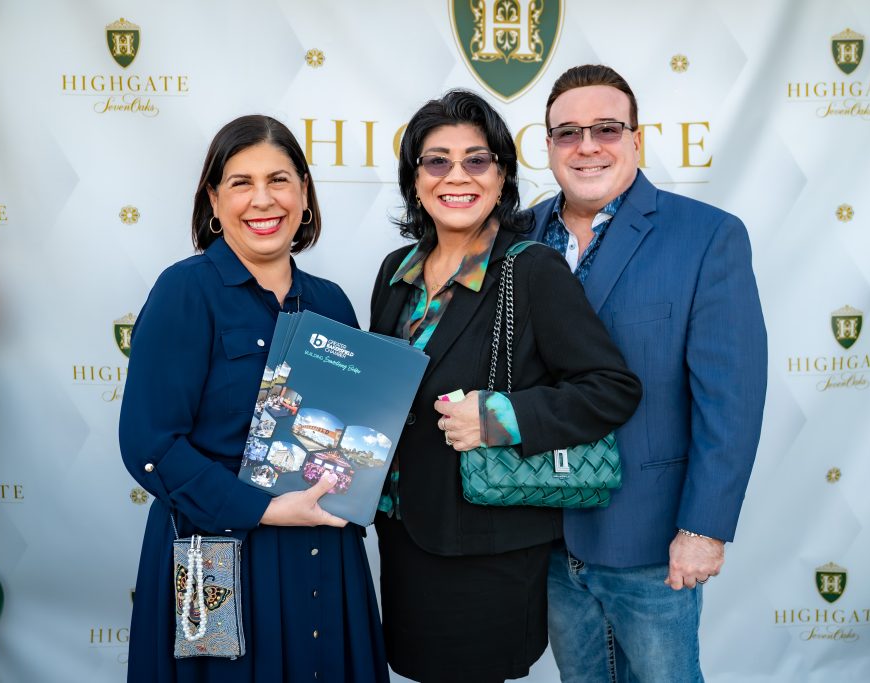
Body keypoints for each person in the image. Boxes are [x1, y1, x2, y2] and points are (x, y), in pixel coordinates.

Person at [369, 89, 642, 683]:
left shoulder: (531, 268)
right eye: (436, 160)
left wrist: (498, 417)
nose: (456, 176)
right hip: (403, 535)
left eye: (476, 159)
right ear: (414, 178)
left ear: (502, 175)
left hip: (486, 546)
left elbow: (612, 388)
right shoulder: (395, 272)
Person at [119, 115, 389, 683]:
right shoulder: (184, 291)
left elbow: (349, 431)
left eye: (279, 180)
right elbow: (150, 444)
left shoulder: (331, 302)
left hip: (323, 553)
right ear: (214, 201)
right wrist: (264, 510)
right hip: (217, 557)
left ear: (305, 195)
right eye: (240, 182)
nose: (262, 200)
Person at [531, 65, 768, 682]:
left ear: (637, 138)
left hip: (652, 539)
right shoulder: (520, 234)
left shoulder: (707, 235)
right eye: (568, 133)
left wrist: (704, 528)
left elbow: (732, 398)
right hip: (545, 536)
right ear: (548, 145)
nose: (587, 146)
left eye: (606, 128)